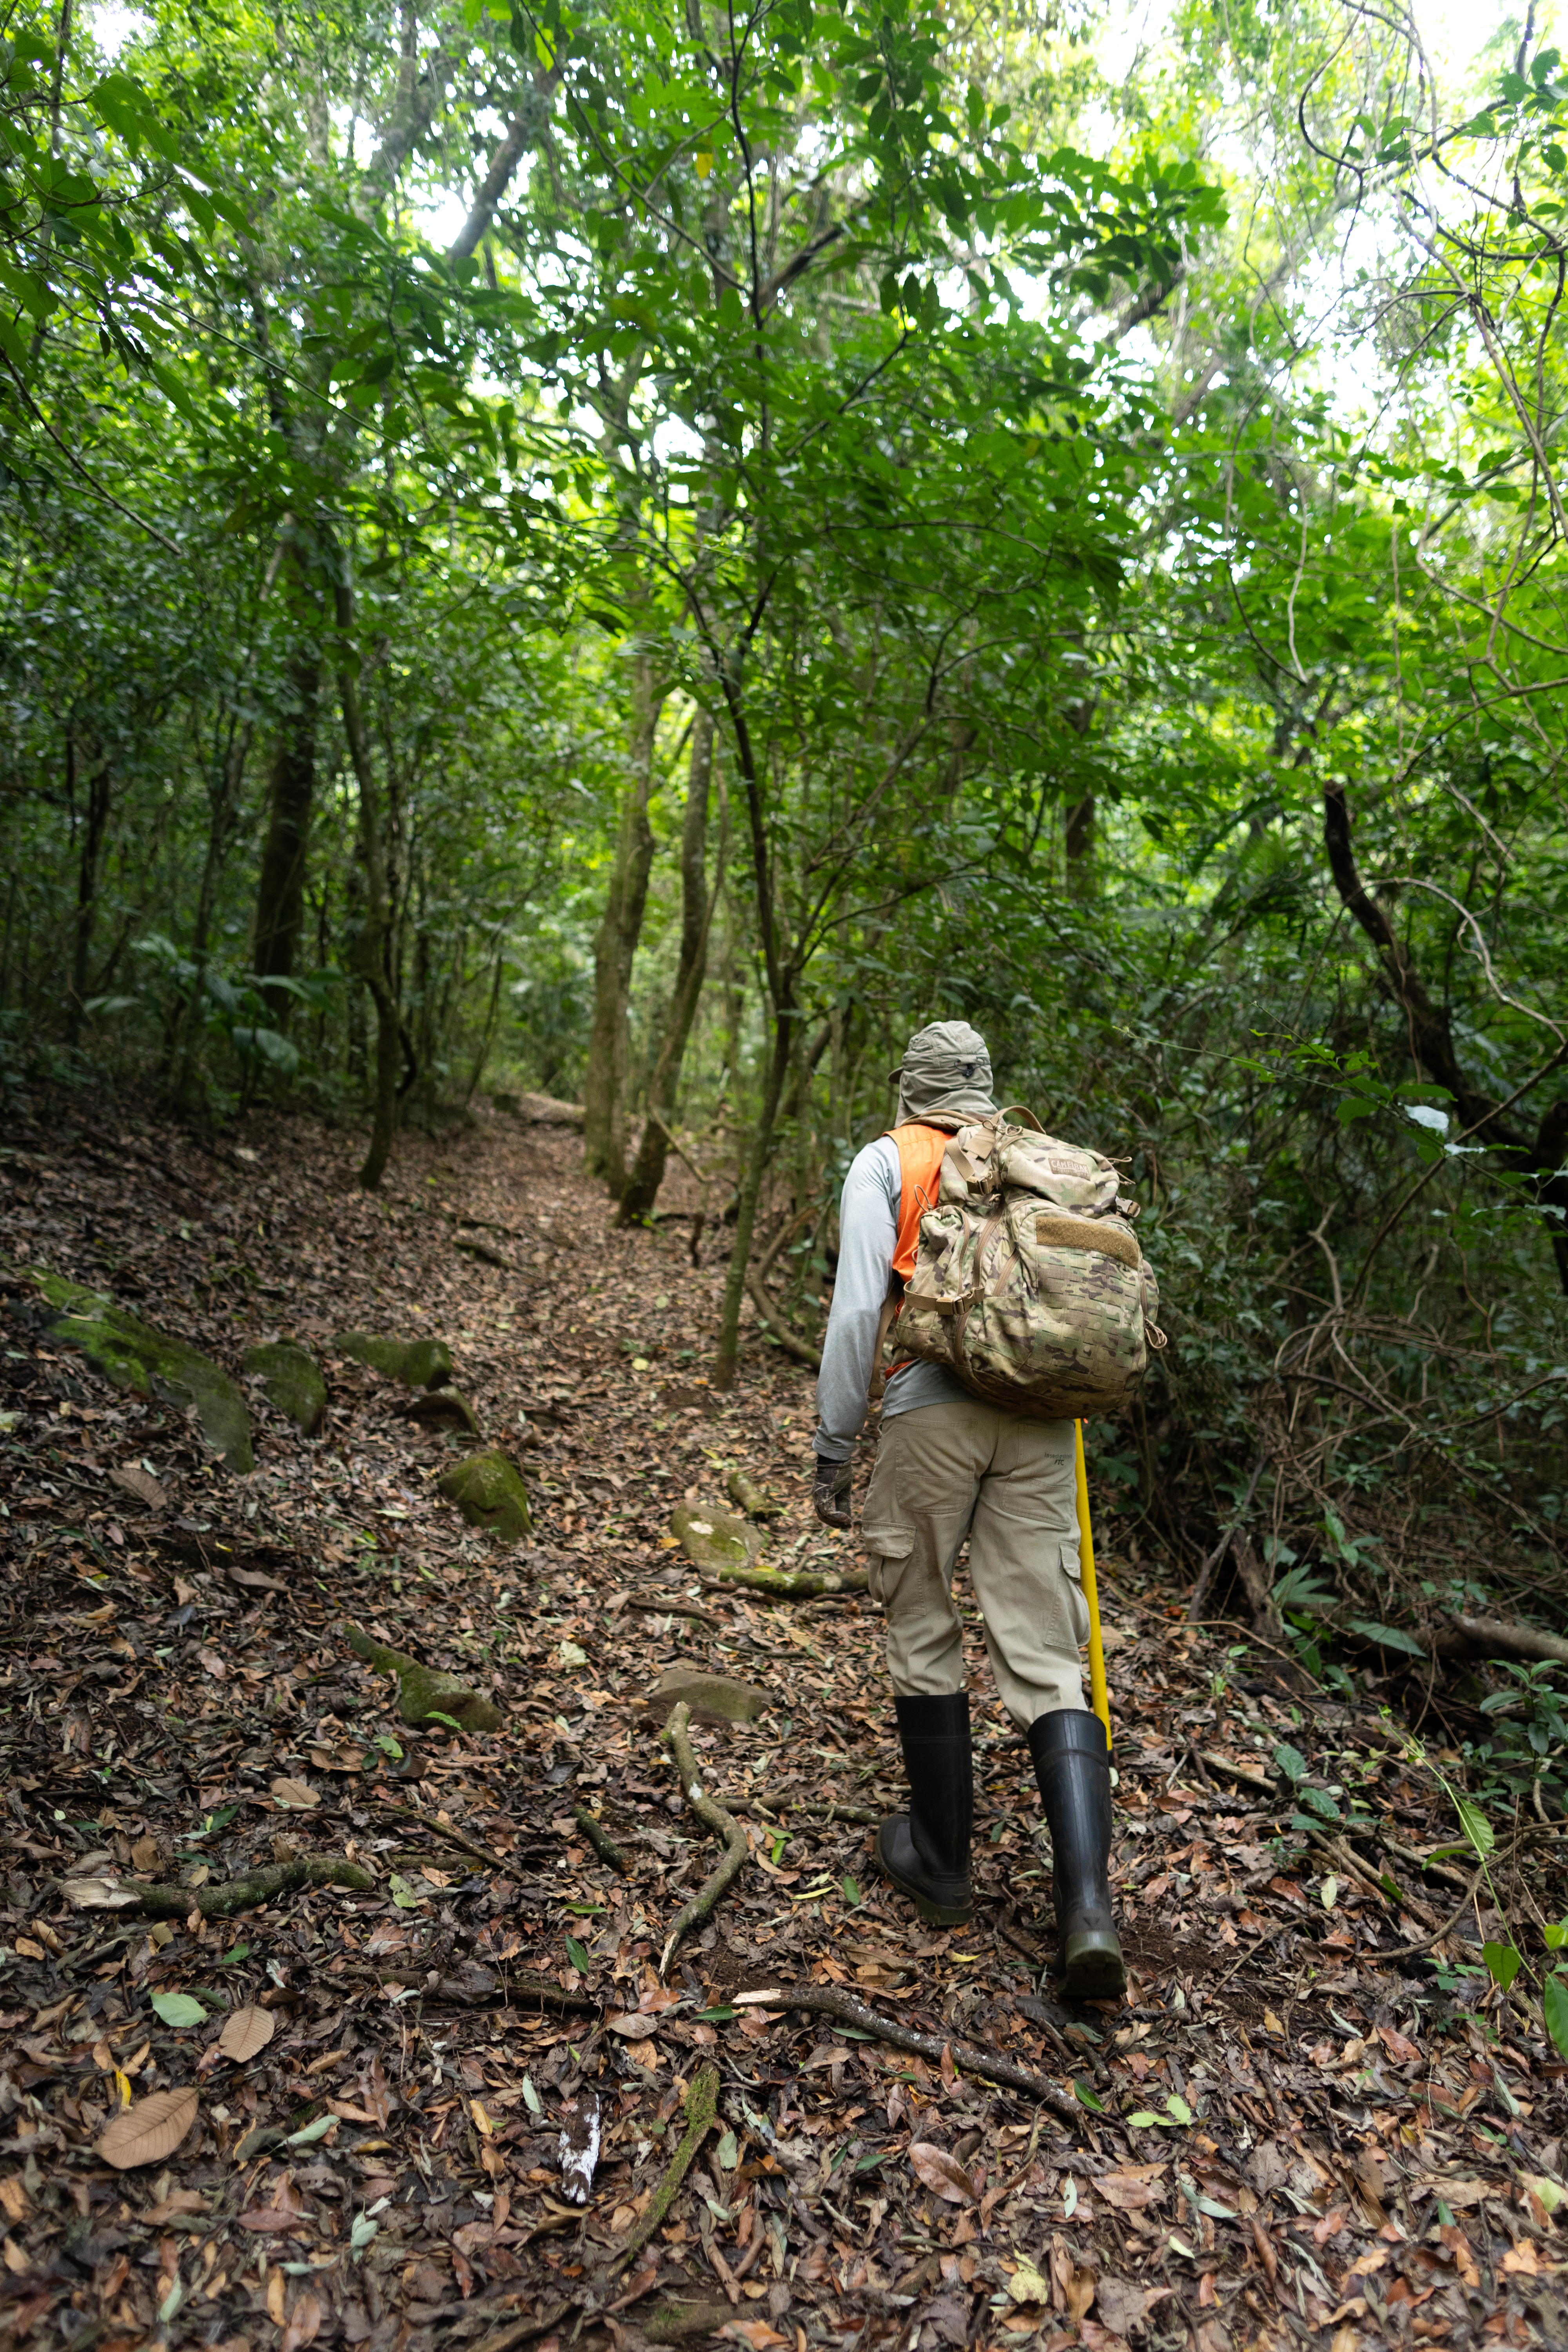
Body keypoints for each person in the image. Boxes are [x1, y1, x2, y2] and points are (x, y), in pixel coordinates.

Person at [810, 1020, 1124, 1998]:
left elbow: (861, 1307)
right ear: (988, 1089)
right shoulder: (1043, 1163)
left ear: (909, 1090)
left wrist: (833, 1441)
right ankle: (1085, 1912)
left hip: (926, 1410)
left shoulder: (887, 1159)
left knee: (920, 1621)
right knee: (1044, 1651)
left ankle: (941, 1863)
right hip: (1041, 1423)